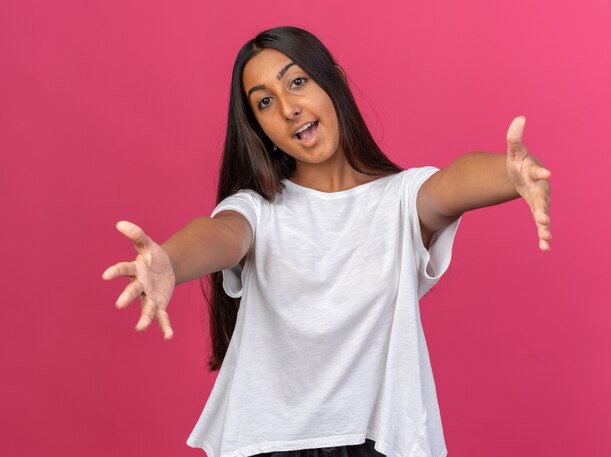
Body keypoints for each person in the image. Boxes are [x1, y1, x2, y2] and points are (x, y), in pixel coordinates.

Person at [101, 26, 551, 457]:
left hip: (382, 439)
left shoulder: (399, 199)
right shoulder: (257, 210)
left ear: (330, 81)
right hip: (268, 443)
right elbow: (220, 235)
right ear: (259, 130)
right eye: (264, 103)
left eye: (297, 81)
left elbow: (453, 183)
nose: (288, 108)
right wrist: (171, 263)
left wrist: (508, 174)